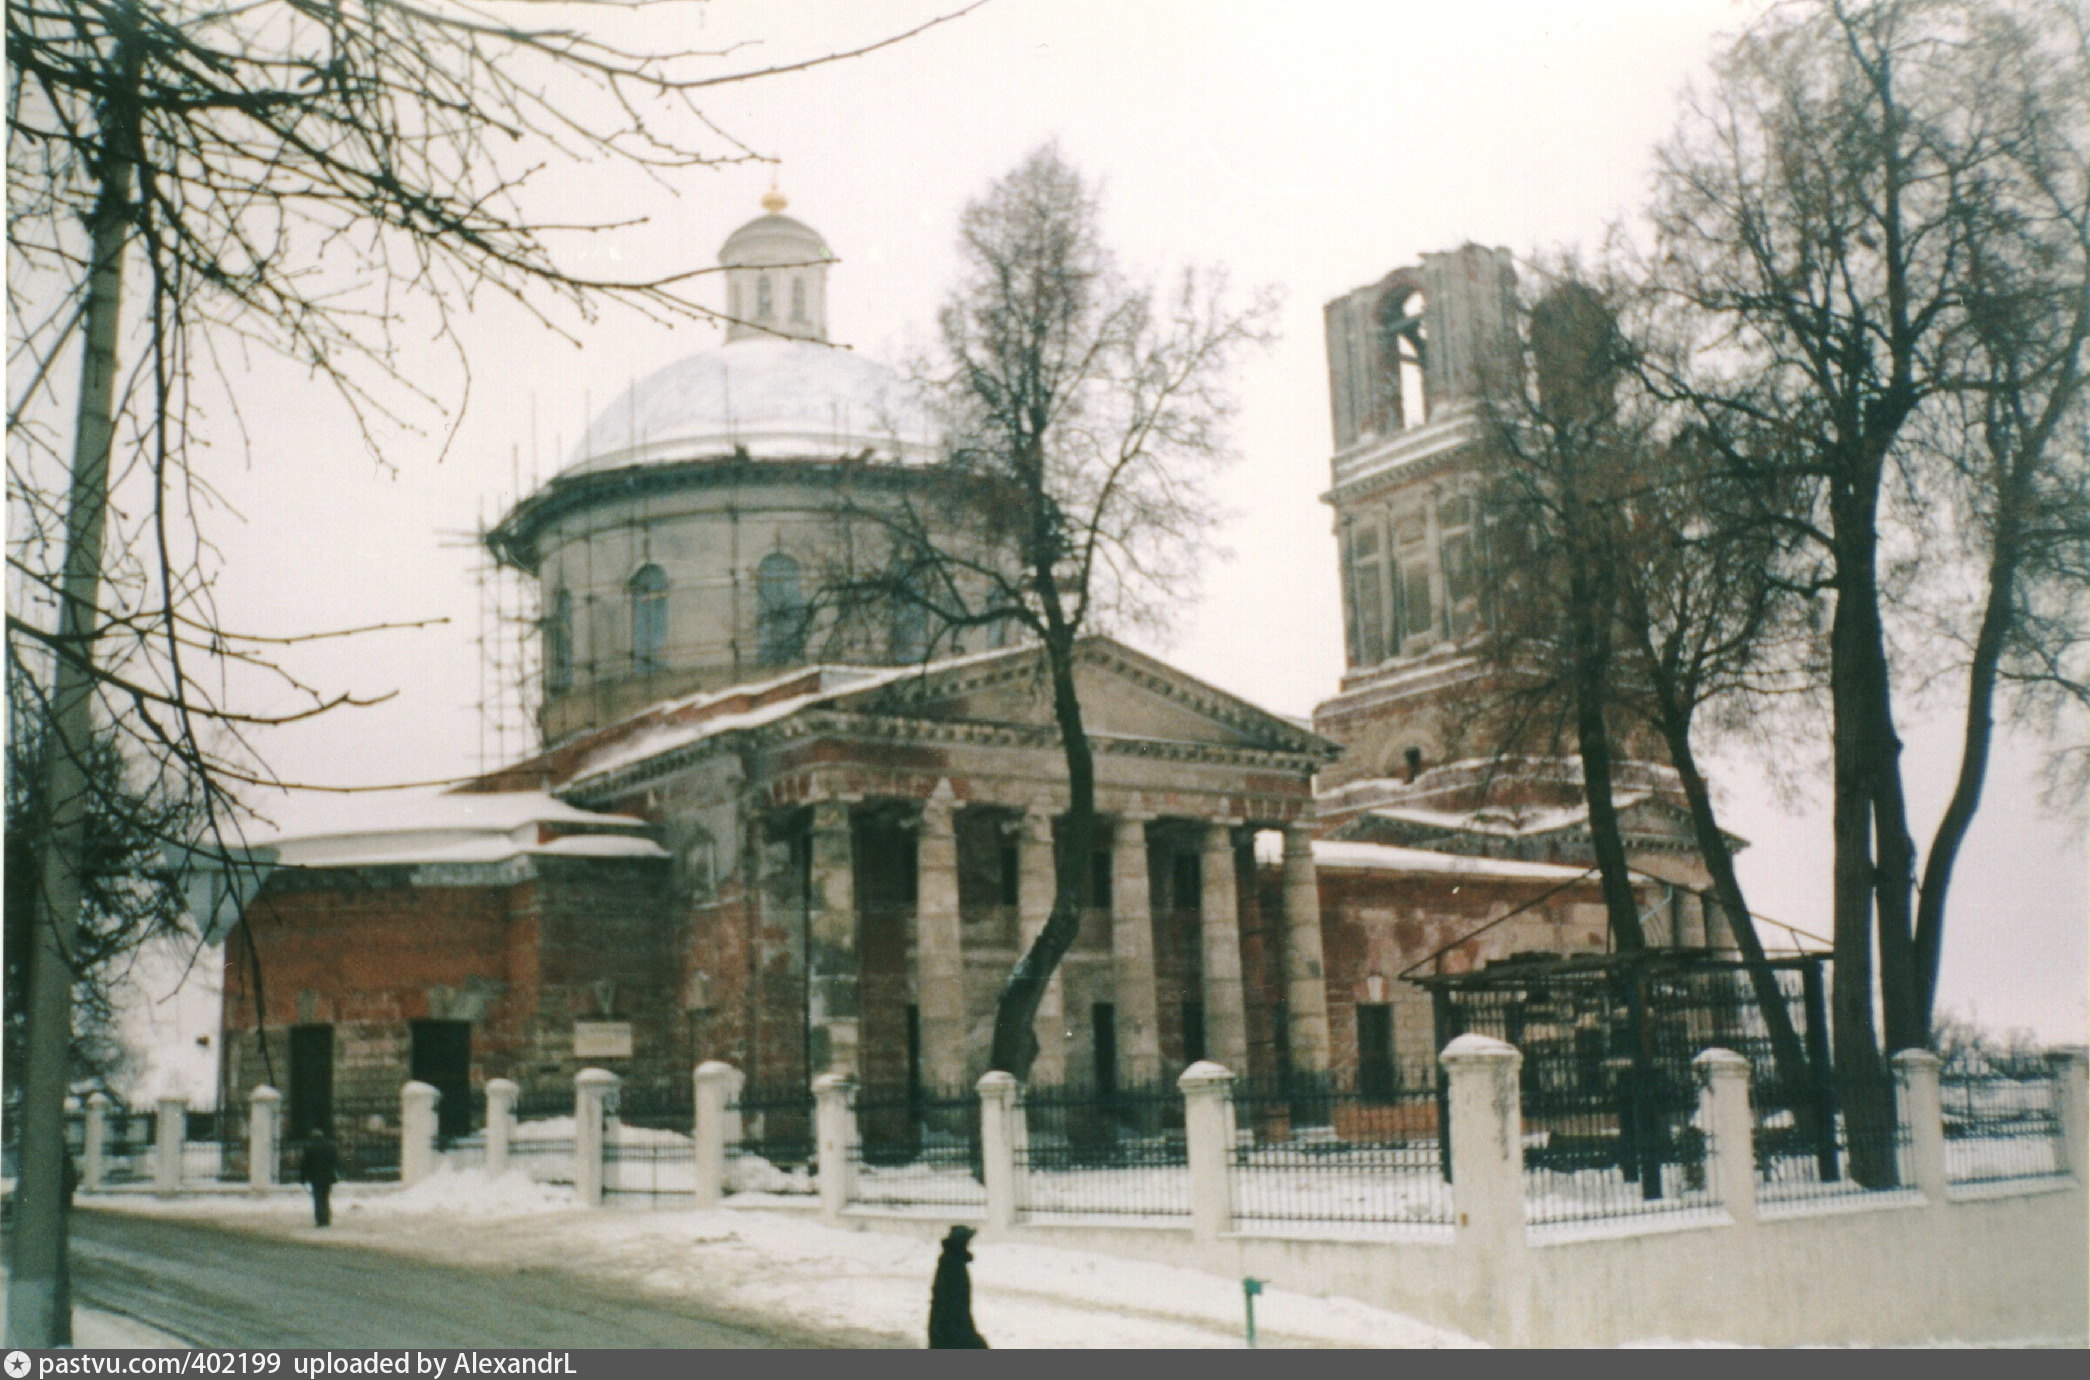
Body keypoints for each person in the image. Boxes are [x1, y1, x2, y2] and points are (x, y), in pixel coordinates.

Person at [926, 1223, 988, 1348]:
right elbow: (949, 1300)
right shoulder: (952, 1264)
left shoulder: (952, 1260)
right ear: (961, 1243)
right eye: (967, 1241)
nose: (969, 1244)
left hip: (949, 1324)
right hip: (950, 1326)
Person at [298, 1127, 340, 1227]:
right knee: (325, 1198)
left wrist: (302, 1179)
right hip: (328, 1177)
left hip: (315, 1177)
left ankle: (320, 1220)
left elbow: (305, 1164)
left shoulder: (309, 1148)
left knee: (318, 1198)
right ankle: (326, 1219)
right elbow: (335, 1162)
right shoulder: (330, 1147)